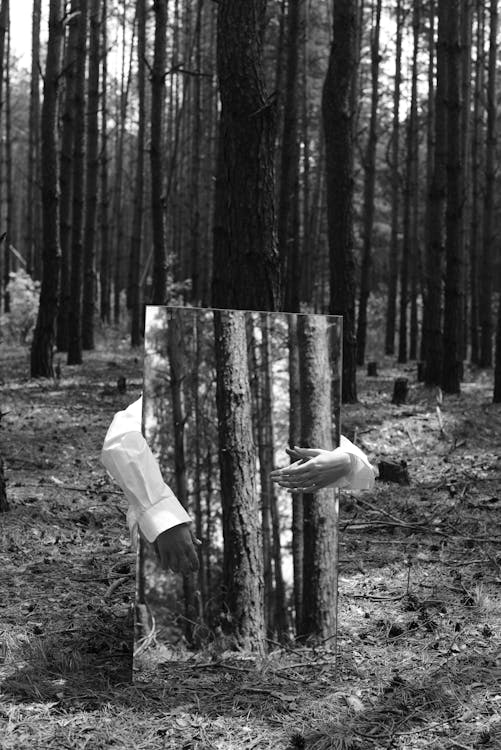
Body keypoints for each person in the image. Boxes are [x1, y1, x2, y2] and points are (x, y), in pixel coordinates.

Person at [102, 396, 375, 575]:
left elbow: (362, 467)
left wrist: (344, 462)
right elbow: (120, 440)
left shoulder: (285, 407)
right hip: (178, 551)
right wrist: (165, 520)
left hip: (274, 560)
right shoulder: (167, 400)